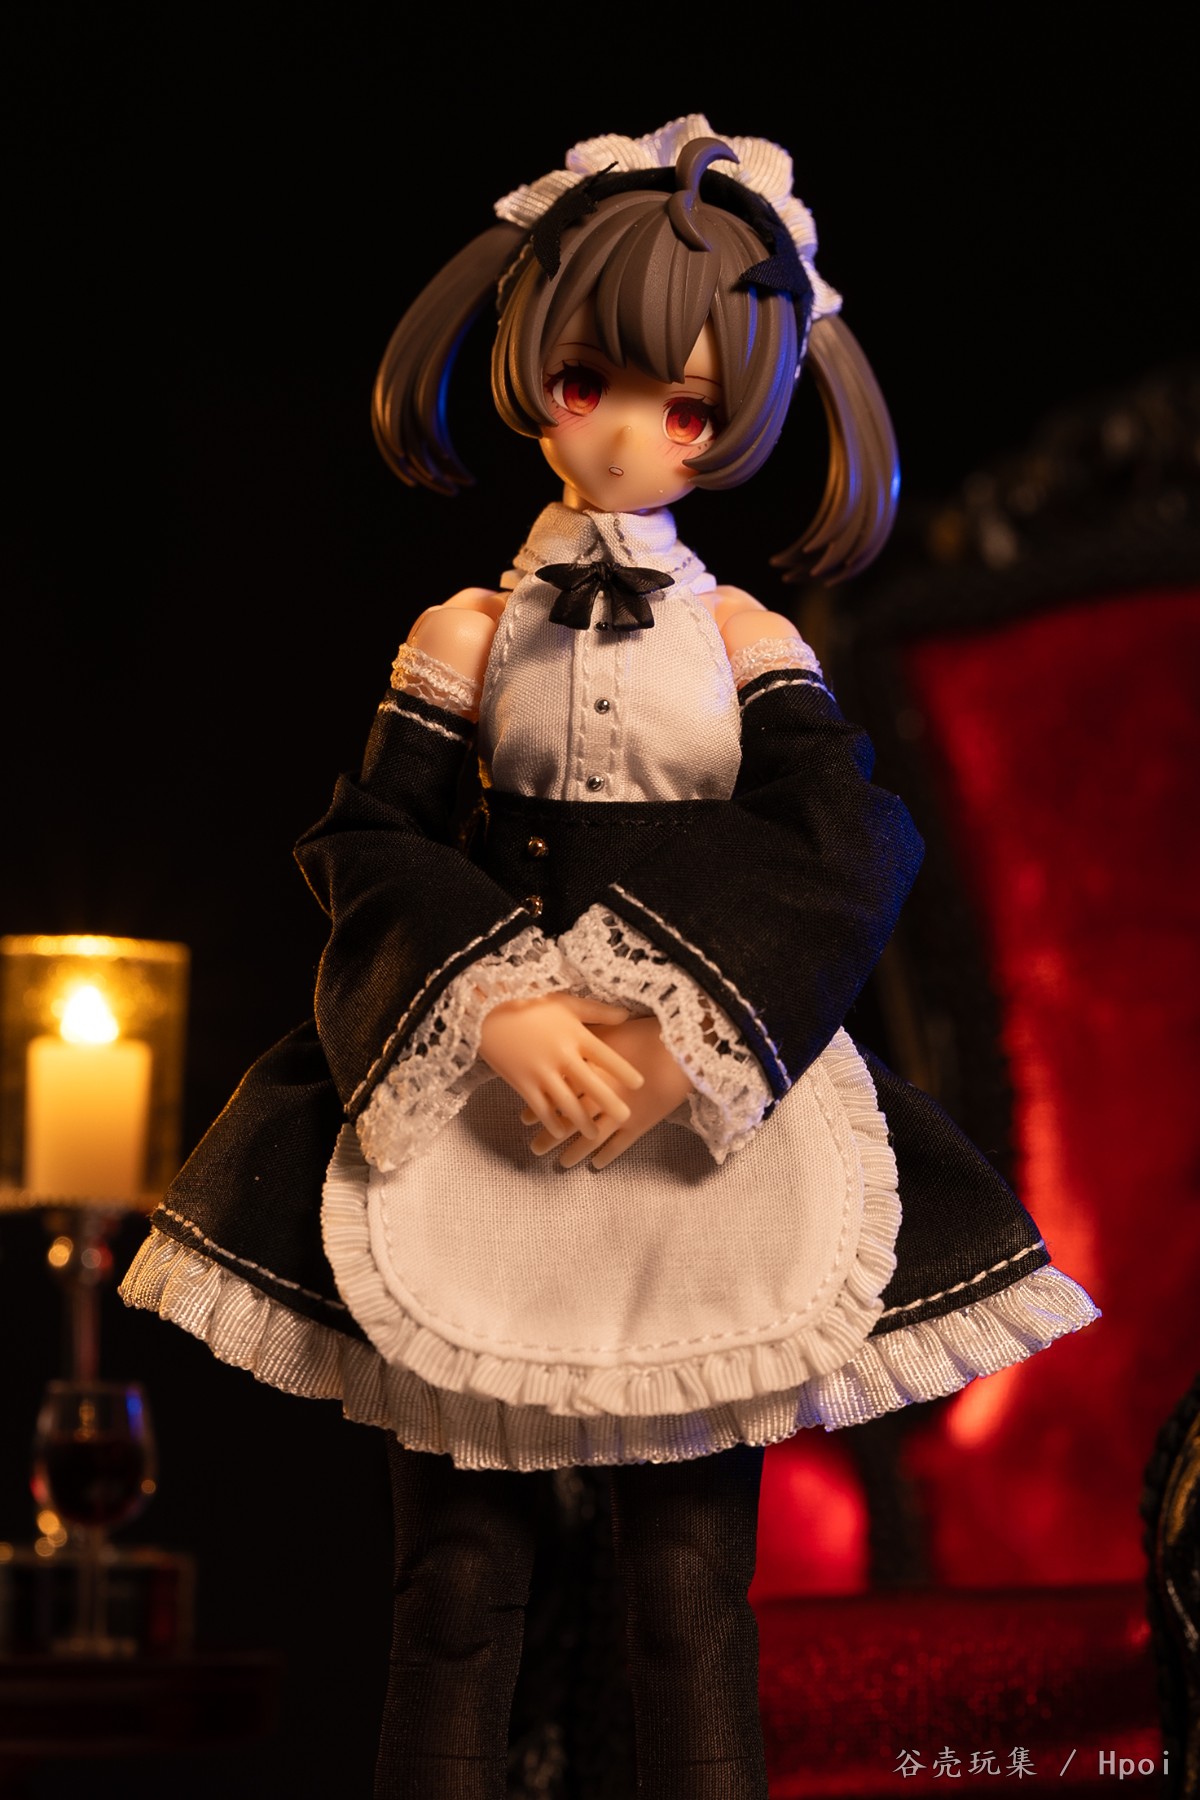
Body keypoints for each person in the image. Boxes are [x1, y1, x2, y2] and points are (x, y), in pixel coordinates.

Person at [122, 117, 1099, 1799]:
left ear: (738, 421)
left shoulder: (745, 637)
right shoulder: (466, 634)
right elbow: (368, 839)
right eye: (590, 381)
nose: (632, 430)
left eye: (688, 407)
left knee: (688, 1593)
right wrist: (488, 1008)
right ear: (534, 373)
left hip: (692, 1147)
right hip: (481, 1124)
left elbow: (849, 844)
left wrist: (680, 1030)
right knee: (454, 1588)